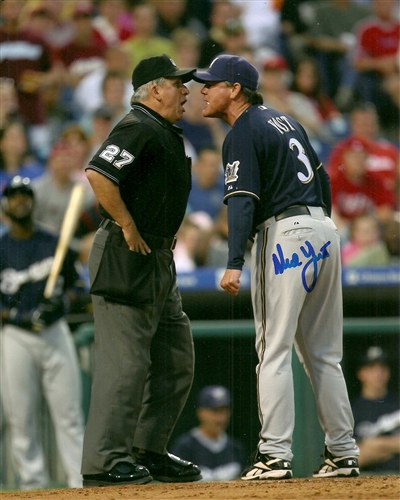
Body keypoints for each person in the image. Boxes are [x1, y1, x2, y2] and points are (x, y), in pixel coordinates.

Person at [192, 54, 360, 480]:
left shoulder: (242, 129)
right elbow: (321, 180)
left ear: (235, 90)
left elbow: (243, 201)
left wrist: (233, 262)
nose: (203, 90)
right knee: (324, 355)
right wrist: (320, 225)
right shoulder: (287, 121)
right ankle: (343, 452)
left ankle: (275, 455)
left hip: (285, 233)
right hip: (323, 228)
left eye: (211, 84)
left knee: (273, 350)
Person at [80, 54, 202, 487]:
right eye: (177, 83)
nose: (185, 90)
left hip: (158, 258)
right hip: (127, 252)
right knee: (125, 365)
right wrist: (127, 223)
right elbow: (98, 174)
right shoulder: (137, 125)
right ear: (154, 89)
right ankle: (104, 462)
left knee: (176, 357)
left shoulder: (163, 131)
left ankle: (146, 448)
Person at [0, 176, 85, 490]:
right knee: (20, 418)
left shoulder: (53, 242)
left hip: (54, 332)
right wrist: (19, 315)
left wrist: (61, 303)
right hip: (15, 338)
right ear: (6, 203)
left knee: (70, 415)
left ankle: (78, 483)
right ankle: (32, 486)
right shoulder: (2, 248)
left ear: (33, 201)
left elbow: (77, 286)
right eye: (14, 196)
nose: (20, 201)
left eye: (25, 195)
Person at [171, 385, 246, 481]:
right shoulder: (185, 447)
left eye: (224, 411)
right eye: (215, 411)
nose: (220, 418)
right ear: (200, 413)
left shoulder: (235, 448)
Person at [351, 346, 400, 474]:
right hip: (364, 483)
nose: (378, 373)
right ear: (361, 373)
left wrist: (376, 444)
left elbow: (365, 450)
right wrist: (393, 446)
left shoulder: (397, 404)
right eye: (371, 368)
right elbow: (352, 459)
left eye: (382, 368)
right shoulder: (352, 411)